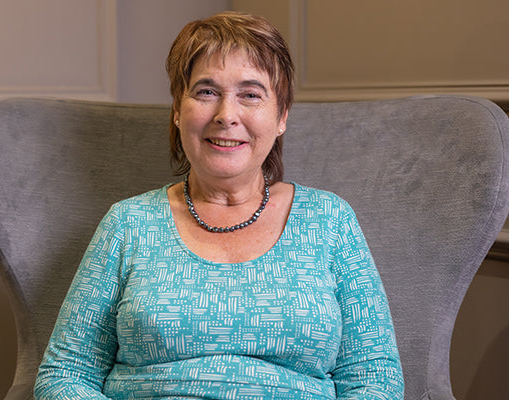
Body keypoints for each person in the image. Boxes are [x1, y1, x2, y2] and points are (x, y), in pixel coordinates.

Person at [34, 11, 404, 400]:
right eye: (206, 91)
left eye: (251, 94)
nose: (227, 115)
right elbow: (66, 374)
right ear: (178, 110)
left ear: (281, 117)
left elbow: (374, 377)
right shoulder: (128, 224)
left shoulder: (329, 220)